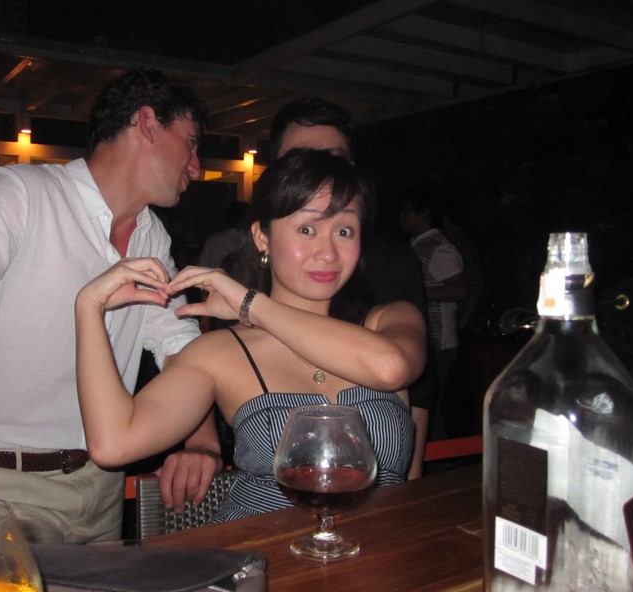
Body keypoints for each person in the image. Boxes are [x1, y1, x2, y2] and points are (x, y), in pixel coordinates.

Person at [0, 67, 222, 556]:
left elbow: (179, 344)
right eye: (191, 143)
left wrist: (201, 440)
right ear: (146, 123)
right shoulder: (22, 194)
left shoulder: (150, 234)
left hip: (103, 491)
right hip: (0, 491)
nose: (197, 167)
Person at [75, 149, 427, 521]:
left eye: (344, 231)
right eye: (307, 229)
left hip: (381, 549)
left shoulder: (390, 321)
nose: (327, 253)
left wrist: (250, 305)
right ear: (262, 237)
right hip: (262, 549)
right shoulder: (221, 353)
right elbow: (114, 444)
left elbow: (390, 368)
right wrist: (88, 307)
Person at [269, 96, 430, 479]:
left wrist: (412, 484)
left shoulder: (390, 259)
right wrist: (202, 442)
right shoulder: (244, 265)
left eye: (335, 158)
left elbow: (416, 387)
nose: (322, 171)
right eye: (303, 158)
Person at [400, 182, 468, 442]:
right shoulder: (417, 246)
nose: (402, 216)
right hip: (425, 339)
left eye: (408, 211)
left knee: (429, 408)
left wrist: (416, 291)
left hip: (439, 341)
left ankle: (439, 460)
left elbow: (459, 290)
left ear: (425, 213)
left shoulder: (440, 248)